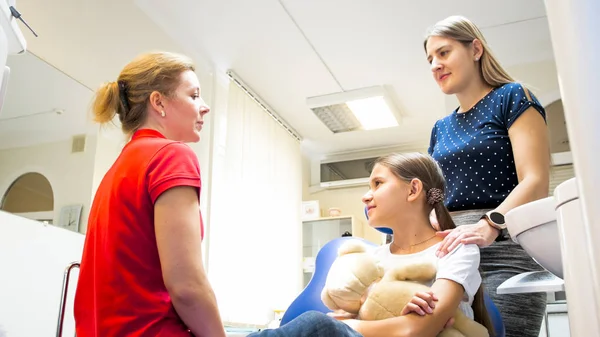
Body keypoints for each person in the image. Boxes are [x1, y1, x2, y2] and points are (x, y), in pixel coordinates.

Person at [246, 152, 492, 337]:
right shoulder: (373, 259)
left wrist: (345, 325)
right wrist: (352, 317)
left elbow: (419, 328)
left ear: (413, 189)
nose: (366, 196)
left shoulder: (454, 249)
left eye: (378, 184)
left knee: (317, 323)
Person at [73, 51, 227, 337]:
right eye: (194, 96)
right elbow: (186, 287)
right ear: (158, 102)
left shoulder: (117, 170)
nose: (204, 107)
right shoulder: (172, 155)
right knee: (321, 326)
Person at [424, 15, 551, 337]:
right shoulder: (441, 128)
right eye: (429, 59)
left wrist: (490, 224)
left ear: (475, 49)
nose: (435, 65)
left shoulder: (512, 97)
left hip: (504, 251)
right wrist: (429, 215)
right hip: (449, 256)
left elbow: (535, 180)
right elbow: (436, 191)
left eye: (443, 53)